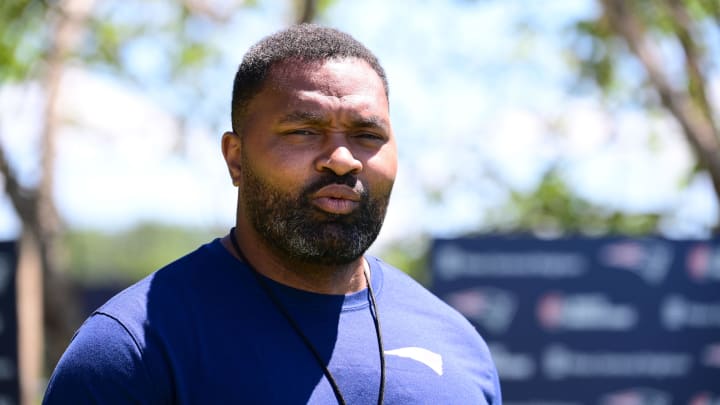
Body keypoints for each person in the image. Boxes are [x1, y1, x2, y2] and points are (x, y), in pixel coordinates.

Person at [43, 24, 502, 404]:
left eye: (367, 134)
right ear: (236, 158)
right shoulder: (133, 351)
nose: (343, 159)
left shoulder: (458, 347)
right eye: (303, 130)